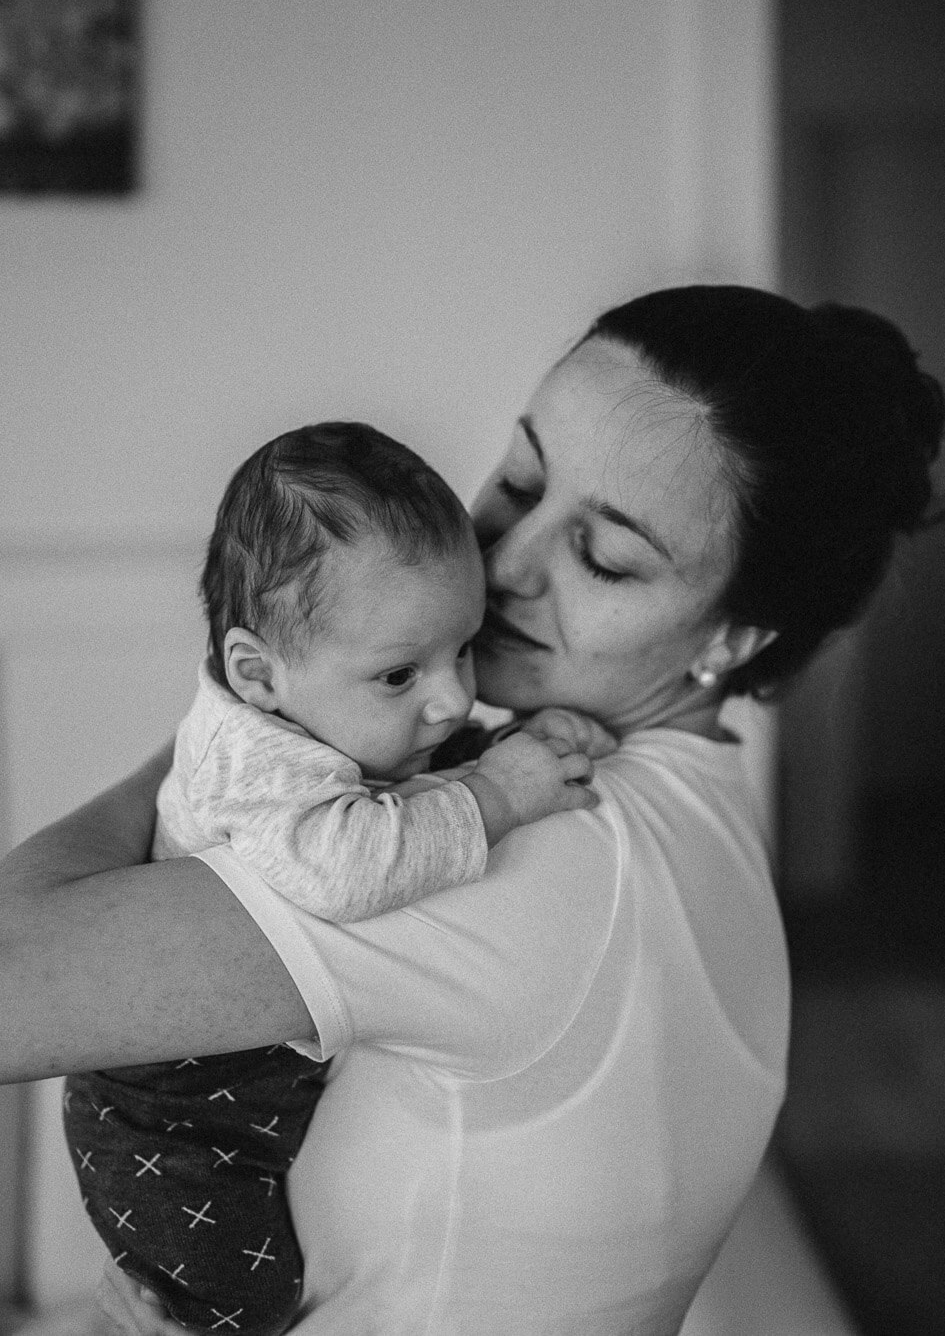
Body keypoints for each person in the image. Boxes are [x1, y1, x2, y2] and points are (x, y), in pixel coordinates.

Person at [0, 286, 945, 1336]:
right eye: (520, 477)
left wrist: (250, 721)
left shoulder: (535, 838)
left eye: (604, 557)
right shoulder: (683, 808)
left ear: (731, 638)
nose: (499, 562)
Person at [62, 419, 606, 1336]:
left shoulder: (320, 703)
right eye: (400, 675)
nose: (451, 697)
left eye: (461, 649)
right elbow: (346, 866)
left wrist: (508, 749)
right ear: (257, 672)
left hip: (253, 1096)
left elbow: (410, 773)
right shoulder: (262, 766)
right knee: (237, 1309)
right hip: (167, 1120)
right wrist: (496, 798)